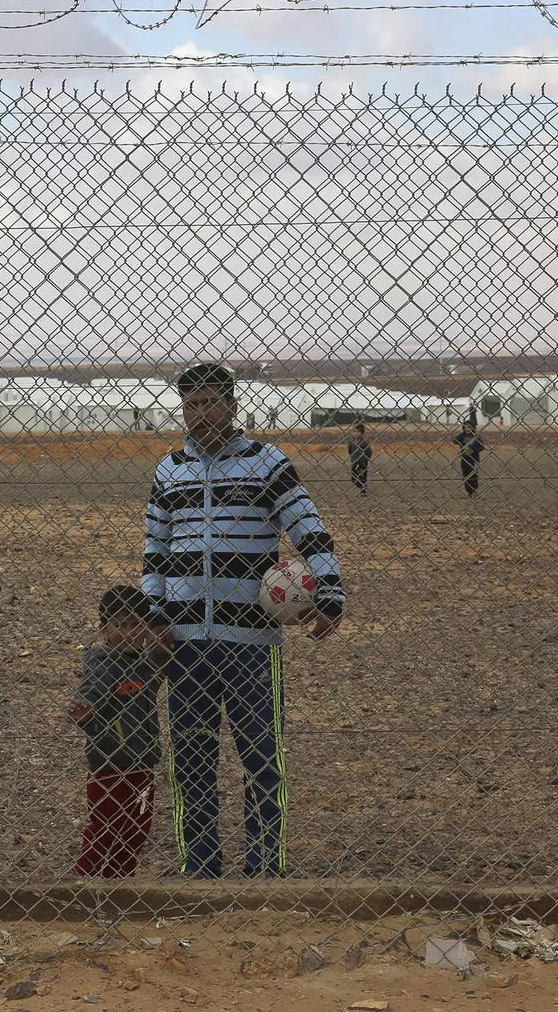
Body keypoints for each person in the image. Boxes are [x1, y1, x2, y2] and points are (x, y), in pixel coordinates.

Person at [141, 362, 343, 878]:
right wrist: (154, 615)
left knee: (262, 760)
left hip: (252, 641)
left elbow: (308, 529)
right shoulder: (169, 471)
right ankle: (201, 868)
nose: (199, 414)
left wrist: (332, 594)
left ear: (233, 404)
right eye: (190, 405)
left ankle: (264, 869)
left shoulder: (267, 463)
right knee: (191, 762)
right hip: (183, 643)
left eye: (210, 402)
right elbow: (155, 552)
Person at [67, 586, 169, 878]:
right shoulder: (103, 663)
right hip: (110, 763)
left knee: (138, 825)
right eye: (120, 625)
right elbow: (88, 696)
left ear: (148, 627)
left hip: (142, 762)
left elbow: (161, 668)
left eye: (136, 624)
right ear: (103, 629)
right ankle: (85, 876)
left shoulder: (144, 662)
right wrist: (83, 712)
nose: (128, 632)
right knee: (106, 824)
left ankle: (120, 879)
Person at [452, 425, 484, 497]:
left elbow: (481, 447)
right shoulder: (462, 435)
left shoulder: (476, 436)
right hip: (465, 458)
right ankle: (469, 491)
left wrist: (474, 450)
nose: (467, 429)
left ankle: (474, 489)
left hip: (474, 459)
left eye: (469, 427)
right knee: (466, 473)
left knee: (474, 474)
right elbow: (455, 440)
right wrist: (463, 442)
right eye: (466, 427)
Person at [346, 423, 372, 493]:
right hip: (354, 462)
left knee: (362, 476)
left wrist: (365, 459)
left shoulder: (364, 443)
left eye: (358, 432)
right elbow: (350, 450)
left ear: (362, 433)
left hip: (362, 463)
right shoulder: (351, 442)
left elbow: (368, 452)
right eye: (354, 431)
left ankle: (363, 490)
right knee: (353, 478)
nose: (355, 433)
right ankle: (360, 485)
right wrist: (353, 457)